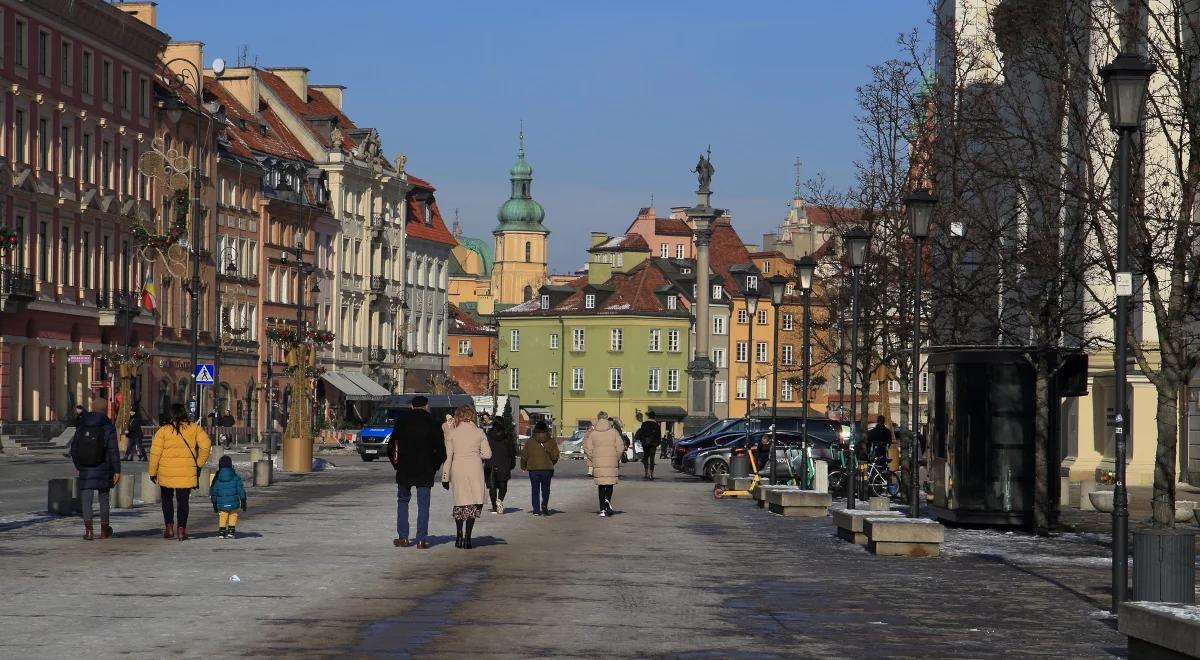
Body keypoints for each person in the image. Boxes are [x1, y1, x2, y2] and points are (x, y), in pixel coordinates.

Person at [386, 395, 446, 549]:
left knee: (403, 501)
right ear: (427, 406)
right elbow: (441, 451)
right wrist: (434, 466)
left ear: (411, 407)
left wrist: (396, 465)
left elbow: (390, 447)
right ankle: (421, 539)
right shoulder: (433, 423)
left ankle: (403, 537)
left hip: (405, 469)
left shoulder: (402, 422)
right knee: (423, 505)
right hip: (425, 470)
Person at [148, 403, 213, 541]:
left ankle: (169, 528)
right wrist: (198, 464)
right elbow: (206, 446)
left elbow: (155, 453)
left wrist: (152, 471)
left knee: (167, 499)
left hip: (166, 471)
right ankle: (181, 530)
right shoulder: (194, 428)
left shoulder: (163, 430)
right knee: (183, 501)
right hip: (187, 471)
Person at [71, 397, 121, 540]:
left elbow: (74, 449)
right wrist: (117, 470)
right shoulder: (107, 425)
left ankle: (88, 531)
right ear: (105, 409)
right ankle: (104, 531)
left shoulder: (82, 424)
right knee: (104, 499)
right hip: (104, 468)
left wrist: (79, 466)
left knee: (86, 500)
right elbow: (113, 451)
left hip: (86, 468)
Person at [442, 405, 491, 549]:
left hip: (458, 469)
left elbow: (448, 457)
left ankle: (458, 536)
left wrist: (445, 477)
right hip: (475, 469)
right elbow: (488, 454)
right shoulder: (479, 432)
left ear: (458, 416)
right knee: (474, 503)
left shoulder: (452, 433)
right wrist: (476, 455)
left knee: (460, 502)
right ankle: (468, 538)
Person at [583, 411, 624, 517]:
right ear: (606, 419)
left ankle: (602, 509)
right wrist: (616, 457)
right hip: (611, 461)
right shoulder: (614, 432)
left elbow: (587, 447)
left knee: (601, 485)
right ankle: (607, 501)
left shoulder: (593, 433)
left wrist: (593, 457)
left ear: (598, 418)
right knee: (609, 483)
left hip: (598, 461)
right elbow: (620, 447)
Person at [521, 420, 559, 515]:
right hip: (547, 469)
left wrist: (523, 466)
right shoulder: (551, 441)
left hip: (533, 469)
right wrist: (551, 463)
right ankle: (544, 504)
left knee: (535, 489)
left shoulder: (530, 441)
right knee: (546, 488)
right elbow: (555, 456)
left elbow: (524, 455)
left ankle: (536, 510)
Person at [484, 414, 518, 514]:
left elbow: (484, 449)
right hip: (504, 464)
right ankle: (500, 500)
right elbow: (512, 451)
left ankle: (494, 505)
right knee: (503, 485)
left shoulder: (488, 436)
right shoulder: (507, 436)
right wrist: (512, 463)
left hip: (491, 464)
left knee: (492, 487)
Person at [209, 455, 247, 539]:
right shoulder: (235, 477)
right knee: (233, 514)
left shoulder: (217, 478)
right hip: (234, 502)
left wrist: (214, 503)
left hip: (222, 503)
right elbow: (241, 489)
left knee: (223, 514)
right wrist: (243, 500)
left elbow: (213, 492)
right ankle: (231, 531)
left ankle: (222, 531)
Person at [635, 411, 662, 480]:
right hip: (653, 444)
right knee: (652, 459)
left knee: (645, 458)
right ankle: (651, 474)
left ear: (649, 416)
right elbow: (659, 435)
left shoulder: (644, 424)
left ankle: (646, 473)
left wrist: (642, 441)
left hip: (645, 443)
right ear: (654, 417)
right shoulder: (656, 425)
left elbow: (641, 434)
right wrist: (658, 443)